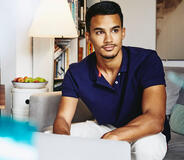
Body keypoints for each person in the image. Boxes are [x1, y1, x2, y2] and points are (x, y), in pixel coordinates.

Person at [52, 1, 169, 160]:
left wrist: (114, 137)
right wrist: (63, 141)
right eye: (100, 32)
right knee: (50, 136)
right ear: (88, 36)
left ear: (123, 33)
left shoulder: (147, 60)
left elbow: (155, 119)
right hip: (106, 127)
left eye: (114, 30)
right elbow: (63, 119)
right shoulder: (76, 72)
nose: (108, 39)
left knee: (147, 148)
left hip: (145, 131)